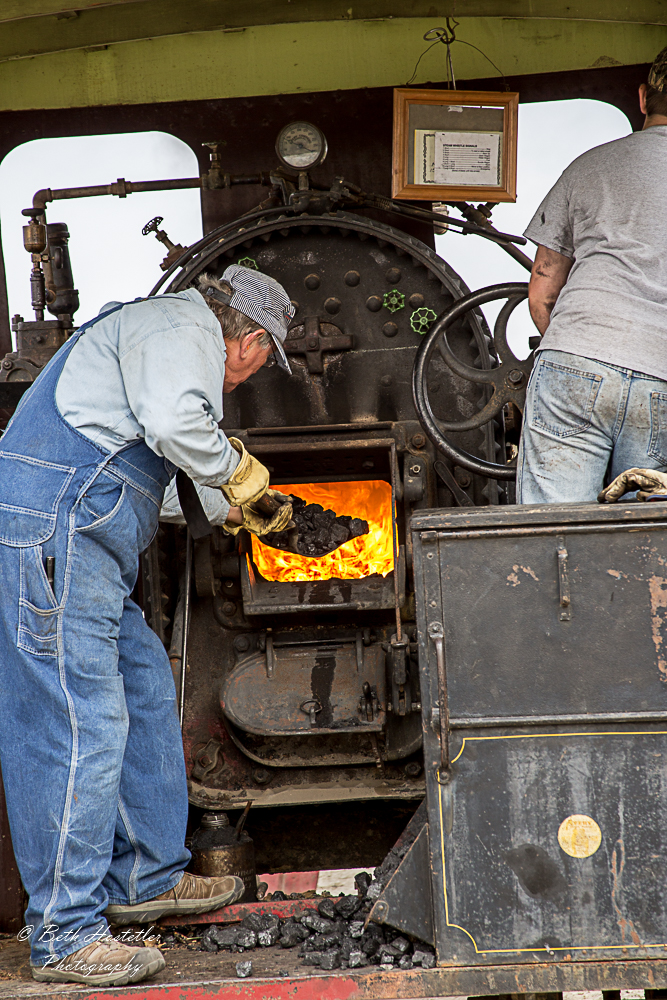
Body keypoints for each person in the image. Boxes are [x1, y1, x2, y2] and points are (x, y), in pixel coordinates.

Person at [0, 265, 294, 987]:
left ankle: (145, 877)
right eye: (263, 361)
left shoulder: (161, 340)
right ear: (249, 339)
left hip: (85, 536)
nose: (251, 377)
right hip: (59, 530)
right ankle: (64, 933)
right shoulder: (179, 324)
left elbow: (147, 469)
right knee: (77, 722)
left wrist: (236, 510)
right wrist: (246, 480)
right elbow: (173, 425)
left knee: (142, 692)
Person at [517, 46, 667, 503]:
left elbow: (543, 287)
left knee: (549, 534)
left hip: (575, 359)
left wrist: (575, 349)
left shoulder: (588, 165)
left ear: (642, 98)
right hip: (661, 376)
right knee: (646, 545)